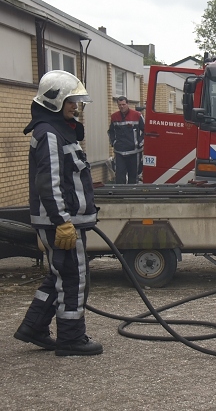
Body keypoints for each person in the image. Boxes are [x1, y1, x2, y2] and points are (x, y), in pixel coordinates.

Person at [14, 70, 102, 356]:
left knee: (61, 276)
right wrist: (62, 221)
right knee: (73, 278)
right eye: (70, 101)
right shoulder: (50, 134)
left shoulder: (60, 130)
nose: (75, 107)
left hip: (66, 221)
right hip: (62, 223)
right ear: (54, 100)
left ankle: (34, 327)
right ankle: (71, 338)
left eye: (76, 102)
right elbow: (48, 182)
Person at [108, 96, 144, 184]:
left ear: (127, 104)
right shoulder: (114, 117)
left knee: (133, 177)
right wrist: (113, 142)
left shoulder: (137, 115)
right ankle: (120, 197)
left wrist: (140, 143)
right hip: (120, 152)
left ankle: (132, 196)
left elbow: (146, 131)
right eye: (119, 105)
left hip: (134, 152)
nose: (121, 106)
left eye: (123, 104)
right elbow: (110, 131)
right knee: (119, 177)